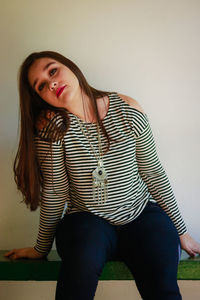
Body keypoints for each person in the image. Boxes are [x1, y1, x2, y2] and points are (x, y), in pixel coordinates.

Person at [4, 51, 200, 300]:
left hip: (140, 215)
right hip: (86, 223)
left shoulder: (127, 109)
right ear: (40, 97)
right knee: (79, 272)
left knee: (163, 285)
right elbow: (56, 192)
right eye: (41, 85)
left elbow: (152, 172)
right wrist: (41, 248)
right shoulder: (51, 130)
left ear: (71, 67)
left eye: (53, 71)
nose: (51, 82)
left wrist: (181, 232)